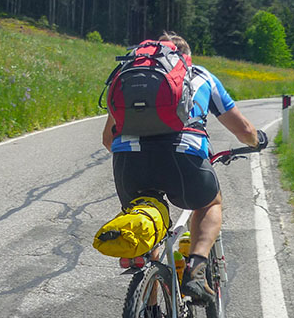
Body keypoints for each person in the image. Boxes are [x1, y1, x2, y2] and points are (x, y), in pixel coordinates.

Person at [102, 32, 267, 304]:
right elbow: (244, 130)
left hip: (128, 162)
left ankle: (149, 316)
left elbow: (108, 140)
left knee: (148, 227)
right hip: (182, 157)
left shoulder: (131, 76)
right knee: (210, 203)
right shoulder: (200, 75)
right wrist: (257, 140)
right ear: (186, 57)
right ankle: (196, 270)